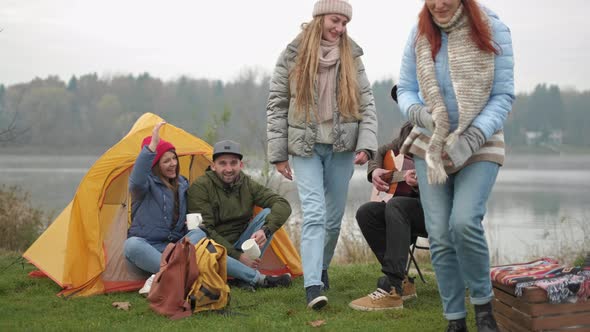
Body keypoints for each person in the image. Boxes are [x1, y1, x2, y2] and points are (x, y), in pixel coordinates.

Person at [397, 0, 514, 331]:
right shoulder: (420, 33)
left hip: (480, 138)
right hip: (430, 144)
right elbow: (405, 89)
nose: (439, 3)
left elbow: (503, 95)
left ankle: (484, 309)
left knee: (463, 222)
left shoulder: (494, 30)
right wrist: (423, 116)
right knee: (440, 234)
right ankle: (455, 320)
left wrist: (473, 137)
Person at [266, 0, 378, 310]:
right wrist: (278, 154)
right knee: (314, 213)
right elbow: (277, 104)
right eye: (334, 20)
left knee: (332, 219)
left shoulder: (353, 58)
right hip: (305, 146)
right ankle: (312, 285)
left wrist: (366, 145)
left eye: (344, 23)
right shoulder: (292, 55)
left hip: (342, 147)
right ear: (319, 18)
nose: (339, 28)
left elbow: (367, 104)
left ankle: (322, 265)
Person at [187, 139, 293, 290]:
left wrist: (265, 230)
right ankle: (255, 278)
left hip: (243, 244)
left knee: (267, 214)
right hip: (215, 249)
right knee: (202, 235)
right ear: (213, 166)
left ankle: (242, 277)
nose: (229, 169)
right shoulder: (201, 187)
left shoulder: (246, 184)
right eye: (223, 163)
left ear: (240, 165)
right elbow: (205, 230)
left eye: (233, 163)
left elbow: (282, 204)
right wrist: (238, 257)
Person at [349, 122, 427, 311]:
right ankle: (404, 282)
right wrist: (375, 170)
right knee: (366, 212)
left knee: (396, 205)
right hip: (410, 210)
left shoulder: (446, 131)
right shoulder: (412, 128)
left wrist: (419, 184)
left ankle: (392, 287)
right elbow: (381, 151)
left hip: (437, 212)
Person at [124, 121, 203, 295]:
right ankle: (179, 274)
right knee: (131, 245)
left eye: (174, 158)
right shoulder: (144, 187)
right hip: (149, 249)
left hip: (173, 247)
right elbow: (136, 180)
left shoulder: (183, 184)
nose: (173, 163)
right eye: (166, 161)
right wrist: (151, 149)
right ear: (155, 165)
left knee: (200, 234)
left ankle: (164, 277)